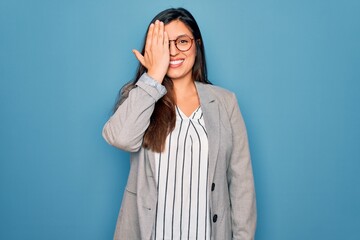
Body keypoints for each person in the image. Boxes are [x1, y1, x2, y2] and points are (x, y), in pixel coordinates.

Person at [102, 7, 256, 240]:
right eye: (164, 44)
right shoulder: (140, 97)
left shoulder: (225, 102)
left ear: (197, 44)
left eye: (182, 41)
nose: (173, 51)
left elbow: (241, 185)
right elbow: (120, 138)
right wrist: (153, 76)